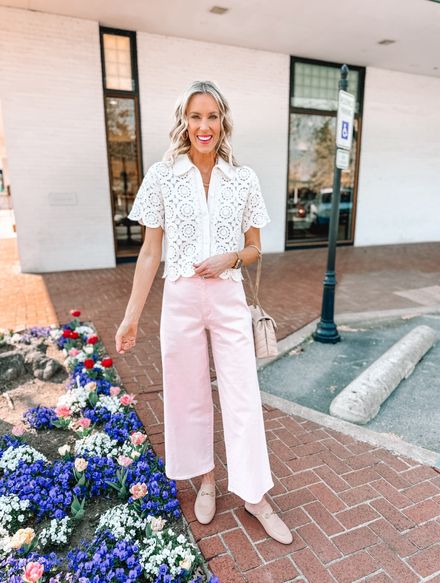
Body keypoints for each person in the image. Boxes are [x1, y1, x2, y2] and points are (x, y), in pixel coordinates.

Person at [115, 80, 293, 545]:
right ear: (184, 122)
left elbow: (256, 247)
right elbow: (151, 254)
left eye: (212, 116)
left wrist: (230, 257)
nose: (204, 126)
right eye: (196, 117)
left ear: (222, 122)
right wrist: (131, 315)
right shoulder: (162, 176)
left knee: (241, 395)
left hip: (228, 295)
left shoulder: (244, 178)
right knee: (186, 394)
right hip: (180, 298)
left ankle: (255, 495)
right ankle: (207, 480)